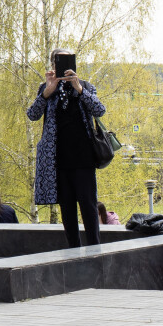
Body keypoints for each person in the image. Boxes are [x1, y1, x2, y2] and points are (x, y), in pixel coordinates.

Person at [26, 48, 106, 247]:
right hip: (58, 161)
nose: (62, 66)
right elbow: (32, 115)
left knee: (88, 206)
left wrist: (79, 89)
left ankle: (95, 250)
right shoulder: (46, 88)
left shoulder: (85, 86)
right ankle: (74, 251)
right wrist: (46, 93)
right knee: (67, 209)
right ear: (53, 65)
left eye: (68, 61)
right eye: (58, 62)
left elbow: (99, 110)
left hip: (84, 159)